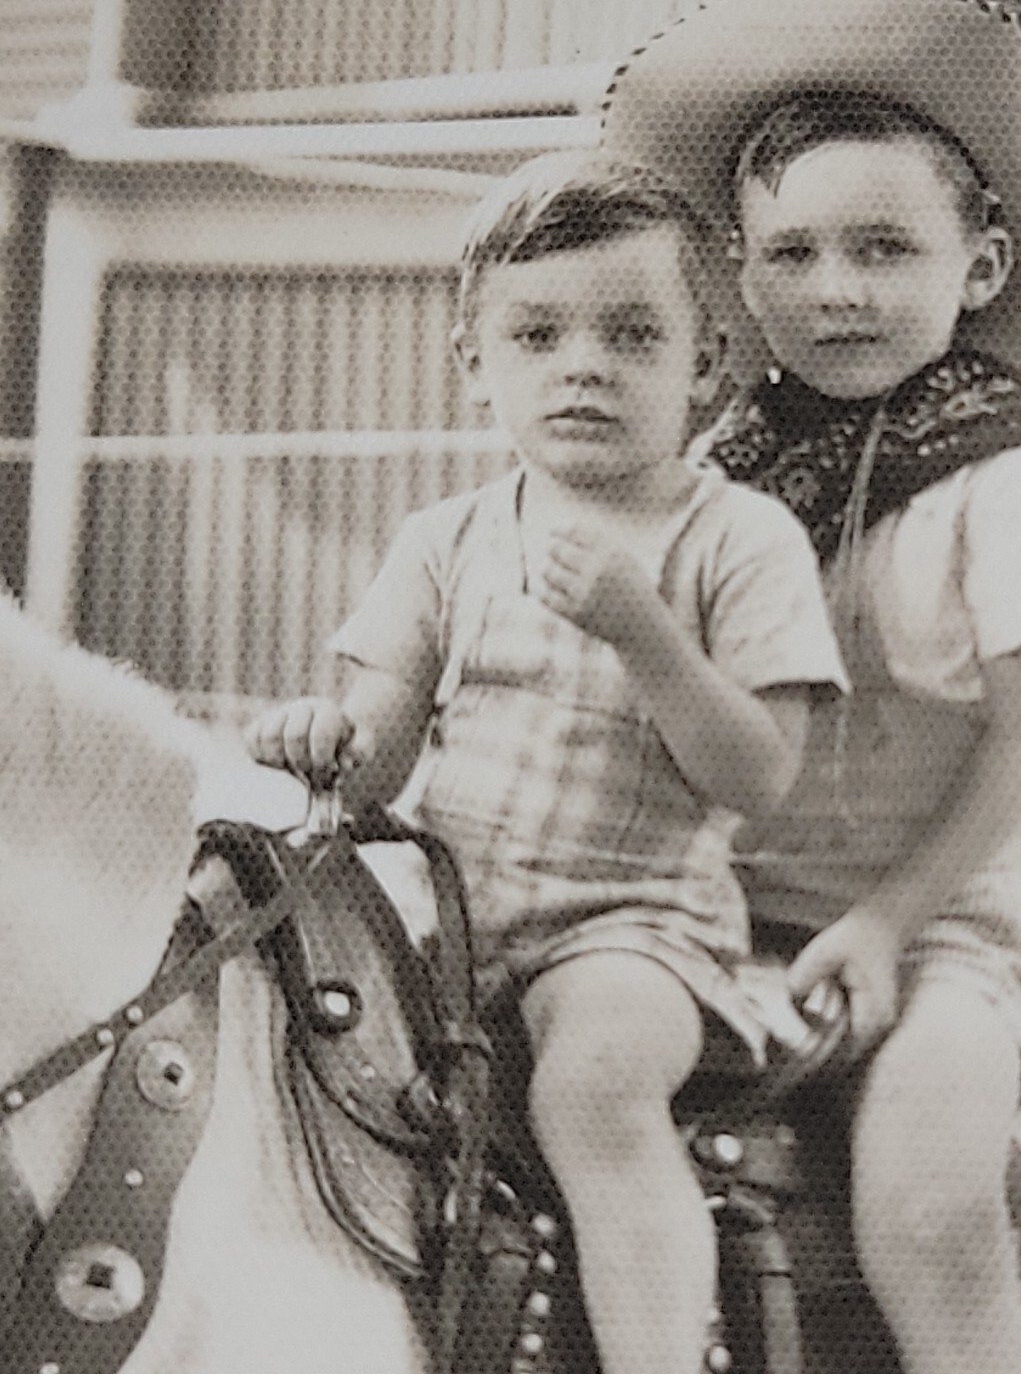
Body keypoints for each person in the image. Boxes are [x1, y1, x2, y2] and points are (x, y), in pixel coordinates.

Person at [603, 0, 1021, 1374]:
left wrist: (895, 925)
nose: (837, 291)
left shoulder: (1014, 481)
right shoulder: (720, 481)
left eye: (886, 249)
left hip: (946, 920)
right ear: (738, 276)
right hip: (724, 904)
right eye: (794, 255)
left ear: (983, 269)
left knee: (923, 1200)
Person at [246, 150, 847, 1374]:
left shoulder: (735, 539)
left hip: (632, 929)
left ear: (708, 366)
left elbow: (762, 776)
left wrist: (646, 632)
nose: (585, 363)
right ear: (477, 363)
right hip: (450, 928)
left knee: (592, 1092)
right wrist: (326, 744)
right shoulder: (447, 540)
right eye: (539, 335)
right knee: (286, 1059)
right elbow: (377, 751)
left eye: (634, 334)